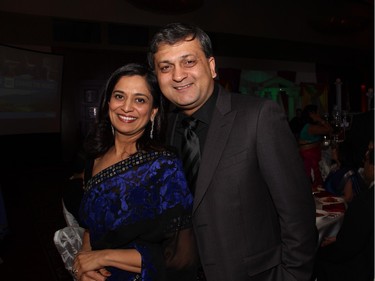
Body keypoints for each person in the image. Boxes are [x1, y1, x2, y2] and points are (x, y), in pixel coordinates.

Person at [148, 23, 317, 281]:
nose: (178, 75)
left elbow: (298, 214)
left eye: (189, 61)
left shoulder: (259, 116)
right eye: (166, 67)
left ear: (212, 66)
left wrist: (292, 276)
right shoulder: (166, 128)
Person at [73, 63, 198, 281]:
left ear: (153, 112)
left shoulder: (164, 167)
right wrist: (85, 259)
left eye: (140, 100)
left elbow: (181, 256)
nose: (127, 107)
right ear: (108, 102)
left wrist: (102, 258)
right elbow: (91, 228)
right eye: (119, 96)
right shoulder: (94, 158)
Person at [314, 146, 374, 281]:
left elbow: (346, 249)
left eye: (366, 161)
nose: (364, 166)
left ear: (373, 166)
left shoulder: (365, 202)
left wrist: (320, 251)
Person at [298, 104, 333, 191]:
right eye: (316, 113)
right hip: (310, 158)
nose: (318, 114)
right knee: (314, 182)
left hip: (313, 156)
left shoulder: (310, 126)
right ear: (311, 114)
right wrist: (321, 120)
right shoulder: (310, 127)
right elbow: (329, 129)